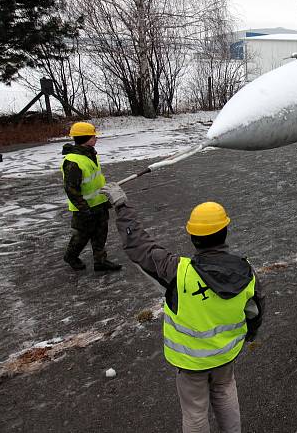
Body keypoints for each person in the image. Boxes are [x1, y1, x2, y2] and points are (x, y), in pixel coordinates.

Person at [99, 183, 264, 433]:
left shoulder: (178, 270)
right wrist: (248, 335)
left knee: (195, 411)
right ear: (225, 231)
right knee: (225, 392)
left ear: (192, 236)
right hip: (226, 354)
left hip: (190, 362)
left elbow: (139, 246)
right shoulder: (246, 271)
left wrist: (122, 206)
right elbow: (255, 311)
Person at [61, 122, 121, 271]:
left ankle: (100, 261)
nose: (96, 138)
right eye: (94, 136)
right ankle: (71, 256)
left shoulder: (90, 154)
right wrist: (84, 209)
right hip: (84, 208)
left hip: (99, 203)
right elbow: (71, 189)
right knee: (82, 236)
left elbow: (95, 180)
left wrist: (105, 198)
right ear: (86, 138)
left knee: (101, 234)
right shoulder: (73, 162)